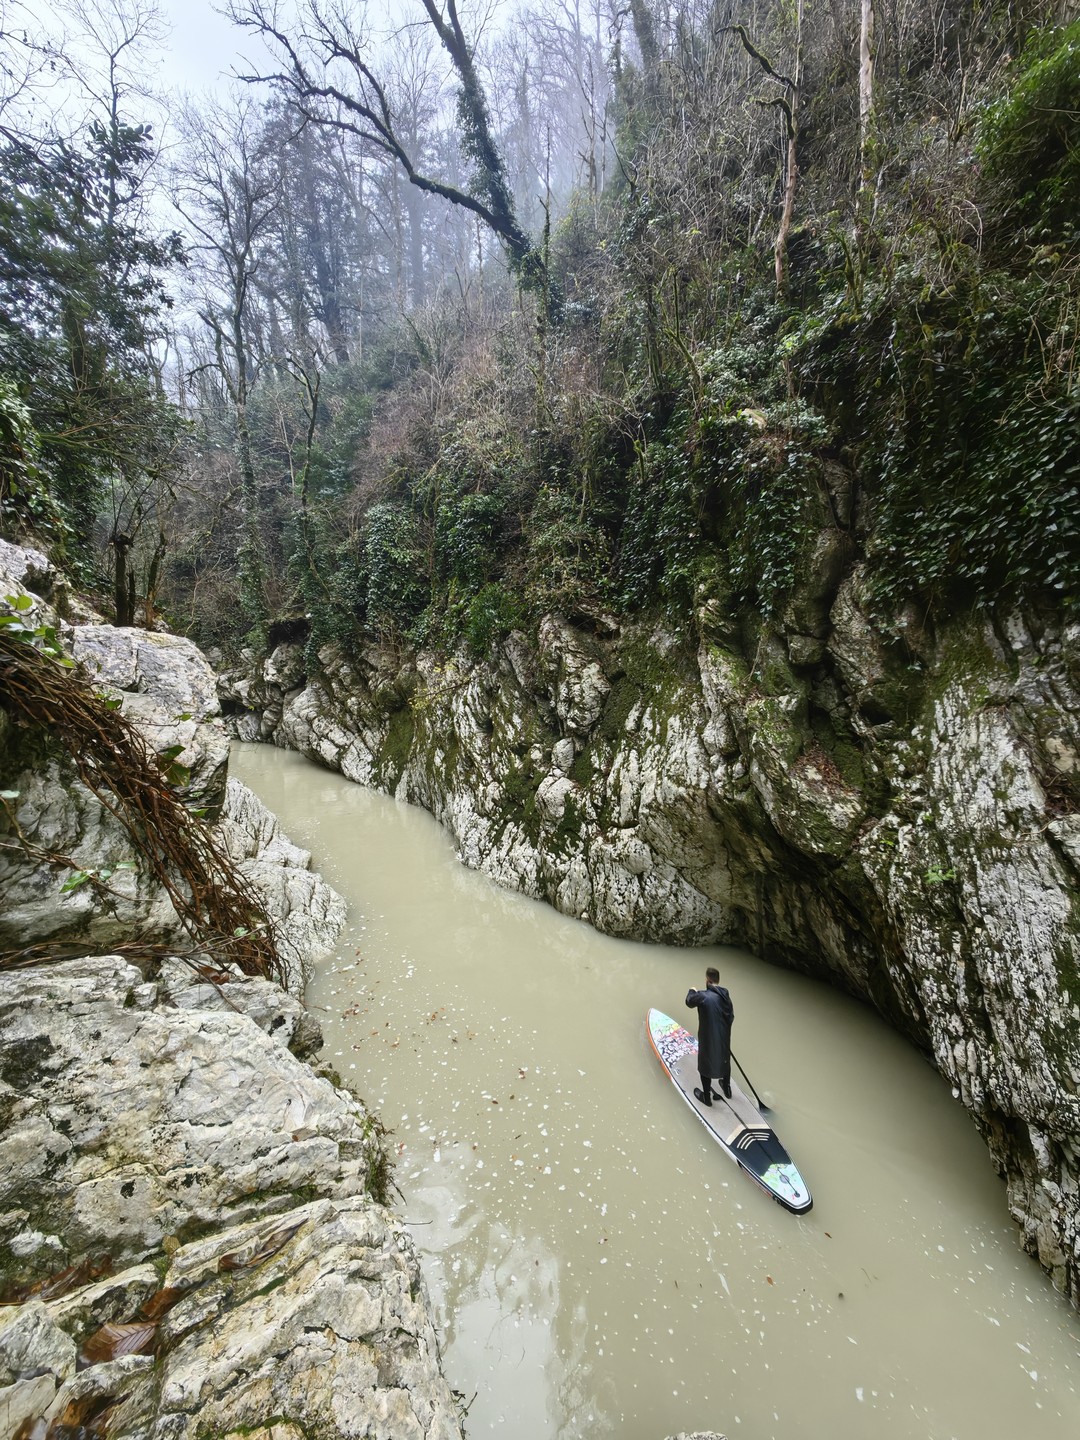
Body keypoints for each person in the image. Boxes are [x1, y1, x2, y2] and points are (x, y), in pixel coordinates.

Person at [685, 966, 734, 1106]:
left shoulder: (703, 996)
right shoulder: (726, 997)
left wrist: (692, 990)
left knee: (705, 1064)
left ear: (707, 980)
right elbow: (731, 1017)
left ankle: (707, 1098)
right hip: (724, 1036)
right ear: (718, 980)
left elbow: (689, 1001)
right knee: (725, 1059)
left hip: (708, 1038)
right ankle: (727, 1088)